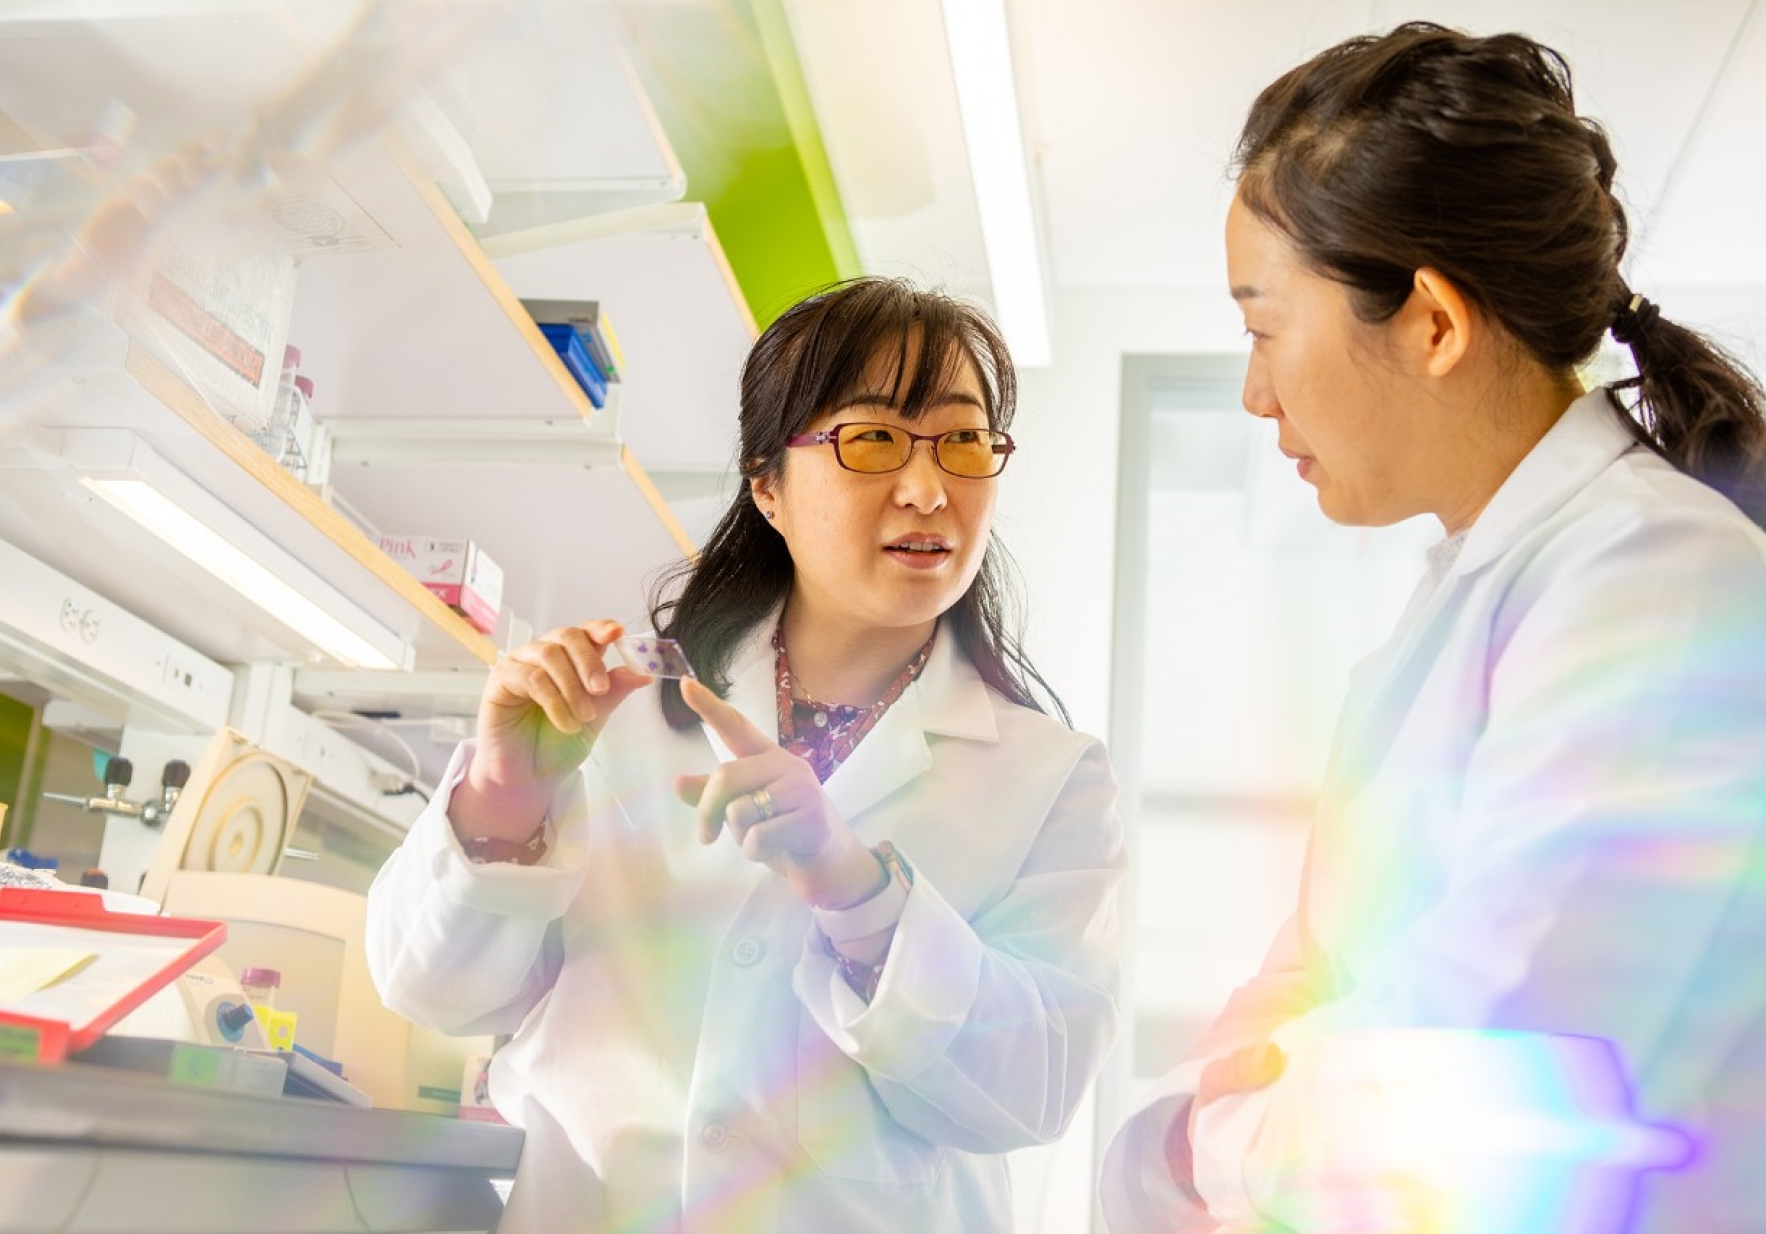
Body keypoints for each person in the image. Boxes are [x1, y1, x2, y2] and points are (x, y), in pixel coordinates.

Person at [1101, 22, 1766, 1234]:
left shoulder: (1654, 577)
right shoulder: (1483, 591)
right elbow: (1326, 970)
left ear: (1432, 325)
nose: (1255, 392)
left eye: (1263, 328)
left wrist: (1201, 1145)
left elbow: (1502, 1060)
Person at [367, 277, 1126, 1233]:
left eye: (964, 441)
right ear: (768, 486)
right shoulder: (620, 707)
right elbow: (429, 992)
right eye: (873, 438)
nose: (929, 489)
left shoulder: (1050, 776)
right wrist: (503, 797)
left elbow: (1033, 1090)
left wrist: (859, 893)